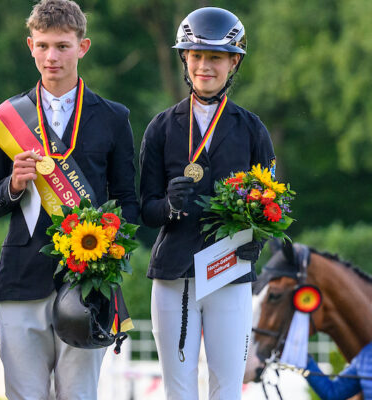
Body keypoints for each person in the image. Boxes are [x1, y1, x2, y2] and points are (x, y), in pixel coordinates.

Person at [0, 1, 138, 398]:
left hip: (88, 283)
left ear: (83, 47)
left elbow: (127, 202)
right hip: (20, 279)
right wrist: (12, 186)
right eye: (44, 46)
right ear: (29, 45)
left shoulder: (114, 117)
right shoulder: (7, 119)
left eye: (63, 46)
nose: (53, 57)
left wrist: (108, 257)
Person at [138, 7, 276, 399]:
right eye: (196, 56)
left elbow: (271, 206)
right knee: (179, 390)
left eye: (215, 57)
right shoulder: (161, 127)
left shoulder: (252, 129)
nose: (204, 66)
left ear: (233, 62)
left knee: (227, 387)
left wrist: (257, 240)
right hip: (173, 272)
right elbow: (144, 208)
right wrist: (166, 205)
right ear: (184, 58)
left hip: (230, 271)